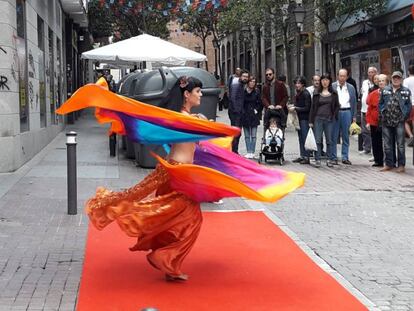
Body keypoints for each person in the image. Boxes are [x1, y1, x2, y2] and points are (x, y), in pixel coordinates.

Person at [379, 71, 412, 173]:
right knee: (387, 144)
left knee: (400, 144)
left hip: (399, 121)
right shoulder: (385, 90)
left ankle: (401, 165)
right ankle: (389, 164)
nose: (396, 79)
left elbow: (408, 106)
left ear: (401, 79)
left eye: (398, 78)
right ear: (391, 79)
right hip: (386, 121)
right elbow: (380, 103)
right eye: (394, 78)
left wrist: (404, 116)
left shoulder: (406, 91)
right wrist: (382, 112)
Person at [309, 73, 339, 168]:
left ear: (329, 81)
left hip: (329, 119)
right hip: (318, 119)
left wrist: (334, 116)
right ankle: (317, 159)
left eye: (327, 80)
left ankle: (329, 159)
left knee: (329, 140)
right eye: (323, 80)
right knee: (318, 140)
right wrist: (311, 121)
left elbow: (337, 106)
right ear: (321, 82)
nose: (325, 82)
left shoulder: (334, 93)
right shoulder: (316, 93)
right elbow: (313, 108)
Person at [331, 69, 357, 165]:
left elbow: (353, 102)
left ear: (347, 77)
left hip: (347, 112)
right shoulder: (333, 86)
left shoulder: (351, 87)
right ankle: (333, 157)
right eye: (340, 76)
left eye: (344, 76)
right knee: (334, 135)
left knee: (346, 136)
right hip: (336, 113)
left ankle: (345, 157)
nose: (342, 78)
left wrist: (354, 116)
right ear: (338, 76)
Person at [289, 76, 311, 164]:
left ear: (303, 84)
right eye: (296, 83)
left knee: (305, 137)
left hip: (304, 118)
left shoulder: (306, 93)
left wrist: (295, 108)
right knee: (300, 137)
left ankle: (307, 156)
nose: (297, 85)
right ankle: (302, 155)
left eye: (299, 83)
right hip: (299, 118)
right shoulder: (298, 93)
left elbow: (307, 108)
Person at [241, 76, 262, 158]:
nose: (252, 83)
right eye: (251, 81)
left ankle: (252, 152)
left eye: (254, 81)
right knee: (247, 135)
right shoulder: (243, 91)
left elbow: (260, 103)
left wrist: (256, 110)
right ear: (248, 82)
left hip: (253, 115)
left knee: (253, 135)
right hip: (245, 115)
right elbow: (241, 103)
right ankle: (248, 151)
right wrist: (242, 112)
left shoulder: (257, 91)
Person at [229, 69, 249, 153]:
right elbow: (233, 98)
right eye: (244, 76)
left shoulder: (241, 85)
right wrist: (237, 111)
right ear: (240, 76)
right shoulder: (236, 85)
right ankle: (234, 152)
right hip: (236, 113)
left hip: (238, 112)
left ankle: (234, 151)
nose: (245, 78)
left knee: (237, 133)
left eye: (247, 77)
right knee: (236, 133)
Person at [366, 74, 384, 167]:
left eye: (382, 81)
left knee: (387, 142)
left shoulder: (390, 92)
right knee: (376, 141)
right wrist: (368, 121)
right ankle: (378, 160)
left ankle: (390, 160)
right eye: (379, 81)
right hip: (374, 121)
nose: (380, 82)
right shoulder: (372, 93)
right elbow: (369, 108)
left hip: (387, 121)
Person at [360, 67, 378, 154]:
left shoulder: (377, 83)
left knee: (374, 131)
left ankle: (375, 151)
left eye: (372, 72)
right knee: (364, 131)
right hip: (364, 110)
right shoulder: (364, 83)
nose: (370, 74)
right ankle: (367, 148)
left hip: (373, 111)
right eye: (369, 72)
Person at [403, 64, 414, 147]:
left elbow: (405, 92)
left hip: (410, 103)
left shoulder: (406, 80)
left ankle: (411, 136)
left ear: (408, 72)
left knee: (406, 121)